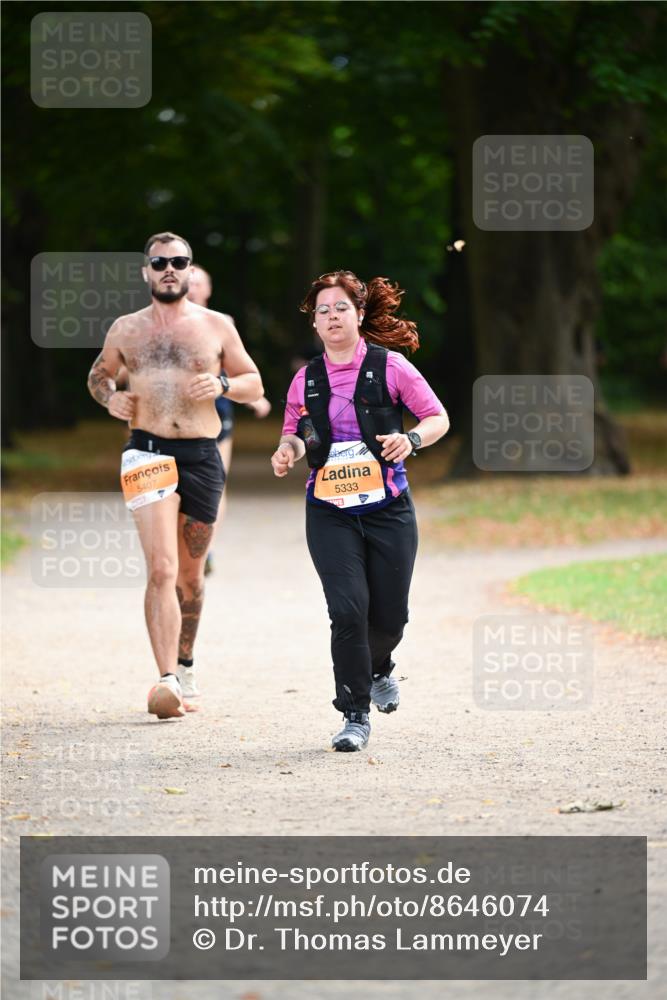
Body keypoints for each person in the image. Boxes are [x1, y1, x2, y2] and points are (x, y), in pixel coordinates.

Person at [87, 232, 263, 719]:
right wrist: (110, 397)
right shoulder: (126, 328)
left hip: (202, 455)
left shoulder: (217, 326)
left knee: (191, 575)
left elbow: (254, 383)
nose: (169, 268)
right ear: (146, 271)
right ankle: (165, 680)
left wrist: (224, 382)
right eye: (159, 262)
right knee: (161, 568)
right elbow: (99, 374)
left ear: (190, 270)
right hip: (146, 452)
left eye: (178, 261)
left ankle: (185, 664)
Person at [271, 270, 449, 751]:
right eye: (323, 310)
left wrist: (410, 439)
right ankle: (354, 713)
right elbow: (293, 431)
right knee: (348, 611)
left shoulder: (391, 368)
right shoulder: (305, 379)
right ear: (314, 322)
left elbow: (437, 418)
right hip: (329, 509)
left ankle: (380, 665)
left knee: (390, 618)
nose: (332, 317)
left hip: (389, 506)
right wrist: (286, 449)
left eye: (341, 308)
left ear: (360, 314)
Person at [186, 265, 271, 580]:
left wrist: (253, 397)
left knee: (215, 485)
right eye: (188, 281)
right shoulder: (160, 323)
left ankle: (206, 547)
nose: (192, 286)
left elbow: (239, 369)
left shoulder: (223, 323)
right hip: (175, 416)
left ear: (208, 289)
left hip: (217, 411)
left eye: (198, 282)